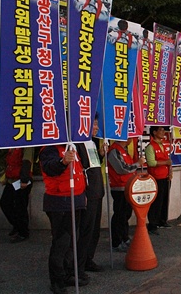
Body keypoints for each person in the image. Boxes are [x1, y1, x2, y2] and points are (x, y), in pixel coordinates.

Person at [39, 144, 88, 293]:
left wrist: (82, 196)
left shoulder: (72, 146)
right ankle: (57, 281)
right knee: (61, 243)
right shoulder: (49, 148)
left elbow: (80, 170)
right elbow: (49, 168)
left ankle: (66, 274)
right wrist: (63, 162)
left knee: (72, 241)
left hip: (76, 199)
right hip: (59, 202)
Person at [76, 116, 106, 275]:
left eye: (96, 124)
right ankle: (78, 266)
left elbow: (93, 165)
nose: (96, 127)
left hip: (97, 191)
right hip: (87, 193)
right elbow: (80, 170)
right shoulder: (77, 144)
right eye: (94, 124)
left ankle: (88, 259)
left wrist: (101, 154)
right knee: (85, 230)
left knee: (95, 230)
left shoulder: (93, 143)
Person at [108, 138, 146, 252]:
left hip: (128, 186)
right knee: (119, 214)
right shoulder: (114, 151)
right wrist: (138, 164)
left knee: (126, 214)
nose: (132, 139)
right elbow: (122, 169)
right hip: (119, 187)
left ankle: (124, 237)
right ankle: (116, 241)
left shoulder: (123, 150)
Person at [0, 147, 34, 243]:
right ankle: (17, 226)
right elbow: (10, 163)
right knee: (4, 203)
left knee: (20, 207)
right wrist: (6, 177)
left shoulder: (26, 146)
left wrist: (24, 180)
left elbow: (27, 162)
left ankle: (23, 232)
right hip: (12, 180)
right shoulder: (12, 145)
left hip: (21, 180)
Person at [145, 126, 173, 234]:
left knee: (165, 200)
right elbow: (151, 162)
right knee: (156, 202)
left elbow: (168, 161)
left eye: (163, 130)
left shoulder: (162, 145)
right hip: (156, 178)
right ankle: (152, 225)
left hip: (165, 177)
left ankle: (162, 221)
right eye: (161, 130)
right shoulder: (150, 147)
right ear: (154, 132)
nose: (163, 132)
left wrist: (170, 172)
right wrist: (165, 163)